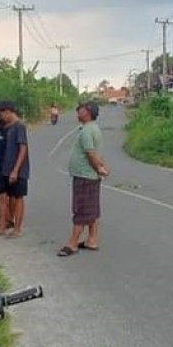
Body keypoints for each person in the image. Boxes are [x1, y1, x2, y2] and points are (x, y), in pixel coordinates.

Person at [58, 102, 109, 257]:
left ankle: (72, 244)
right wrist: (102, 166)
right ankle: (91, 240)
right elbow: (95, 153)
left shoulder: (87, 130)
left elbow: (90, 153)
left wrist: (98, 168)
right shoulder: (92, 128)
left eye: (80, 110)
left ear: (88, 112)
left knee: (81, 209)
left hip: (85, 175)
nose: (77, 112)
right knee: (92, 208)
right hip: (89, 175)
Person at [0, 101, 29, 238]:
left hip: (18, 169)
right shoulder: (9, 127)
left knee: (18, 197)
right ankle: (2, 226)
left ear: (8, 112)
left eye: (2, 114)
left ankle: (17, 229)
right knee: (3, 195)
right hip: (5, 168)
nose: (1, 117)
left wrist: (16, 169)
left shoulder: (19, 127)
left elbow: (23, 148)